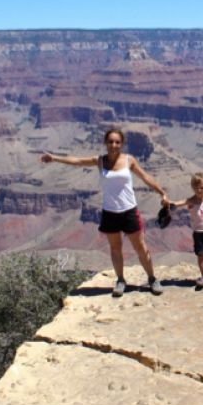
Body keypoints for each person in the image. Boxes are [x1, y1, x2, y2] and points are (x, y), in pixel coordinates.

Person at [40, 127, 168, 297]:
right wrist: (54, 158)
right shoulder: (99, 161)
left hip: (129, 211)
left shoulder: (129, 160)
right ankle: (121, 280)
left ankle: (152, 279)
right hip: (110, 212)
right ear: (106, 143)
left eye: (117, 142)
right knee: (115, 248)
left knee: (141, 248)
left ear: (121, 144)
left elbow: (145, 177)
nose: (114, 145)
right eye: (110, 141)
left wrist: (162, 192)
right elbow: (77, 161)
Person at [164, 172, 203, 290]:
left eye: (202, 187)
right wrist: (167, 204)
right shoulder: (191, 201)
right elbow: (177, 204)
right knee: (201, 256)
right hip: (198, 234)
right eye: (196, 188)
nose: (199, 190)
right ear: (193, 188)